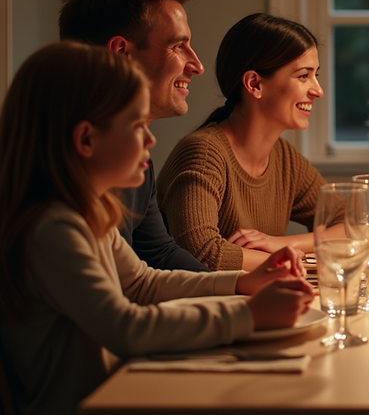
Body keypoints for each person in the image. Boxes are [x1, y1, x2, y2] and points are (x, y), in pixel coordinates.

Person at [0, 43, 315, 415]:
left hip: (120, 390)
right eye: (136, 126)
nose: (151, 140)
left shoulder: (88, 212)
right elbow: (124, 327)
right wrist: (249, 315)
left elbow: (142, 283)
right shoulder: (53, 228)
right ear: (86, 140)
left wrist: (240, 283)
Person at [157, 13, 345, 271]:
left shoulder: (284, 157)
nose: (318, 90)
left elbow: (355, 223)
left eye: (316, 75)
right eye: (303, 76)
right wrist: (292, 259)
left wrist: (282, 245)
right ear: (254, 84)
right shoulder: (202, 154)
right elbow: (202, 253)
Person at [58, 0, 209, 272]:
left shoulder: (134, 158)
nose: (197, 65)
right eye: (178, 46)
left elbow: (160, 255)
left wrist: (242, 291)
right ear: (121, 53)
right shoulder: (64, 167)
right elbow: (115, 313)